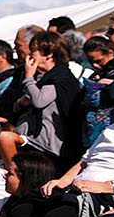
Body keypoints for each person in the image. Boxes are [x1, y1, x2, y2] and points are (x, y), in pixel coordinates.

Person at [16, 30, 83, 168]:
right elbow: (19, 104)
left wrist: (28, 78)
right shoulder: (42, 78)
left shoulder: (59, 77)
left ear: (48, 54)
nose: (30, 55)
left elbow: (39, 101)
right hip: (34, 141)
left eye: (34, 51)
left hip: (49, 147)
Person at [81, 35, 114, 148]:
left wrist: (110, 84)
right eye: (91, 62)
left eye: (99, 61)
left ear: (110, 53)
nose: (95, 65)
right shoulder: (96, 75)